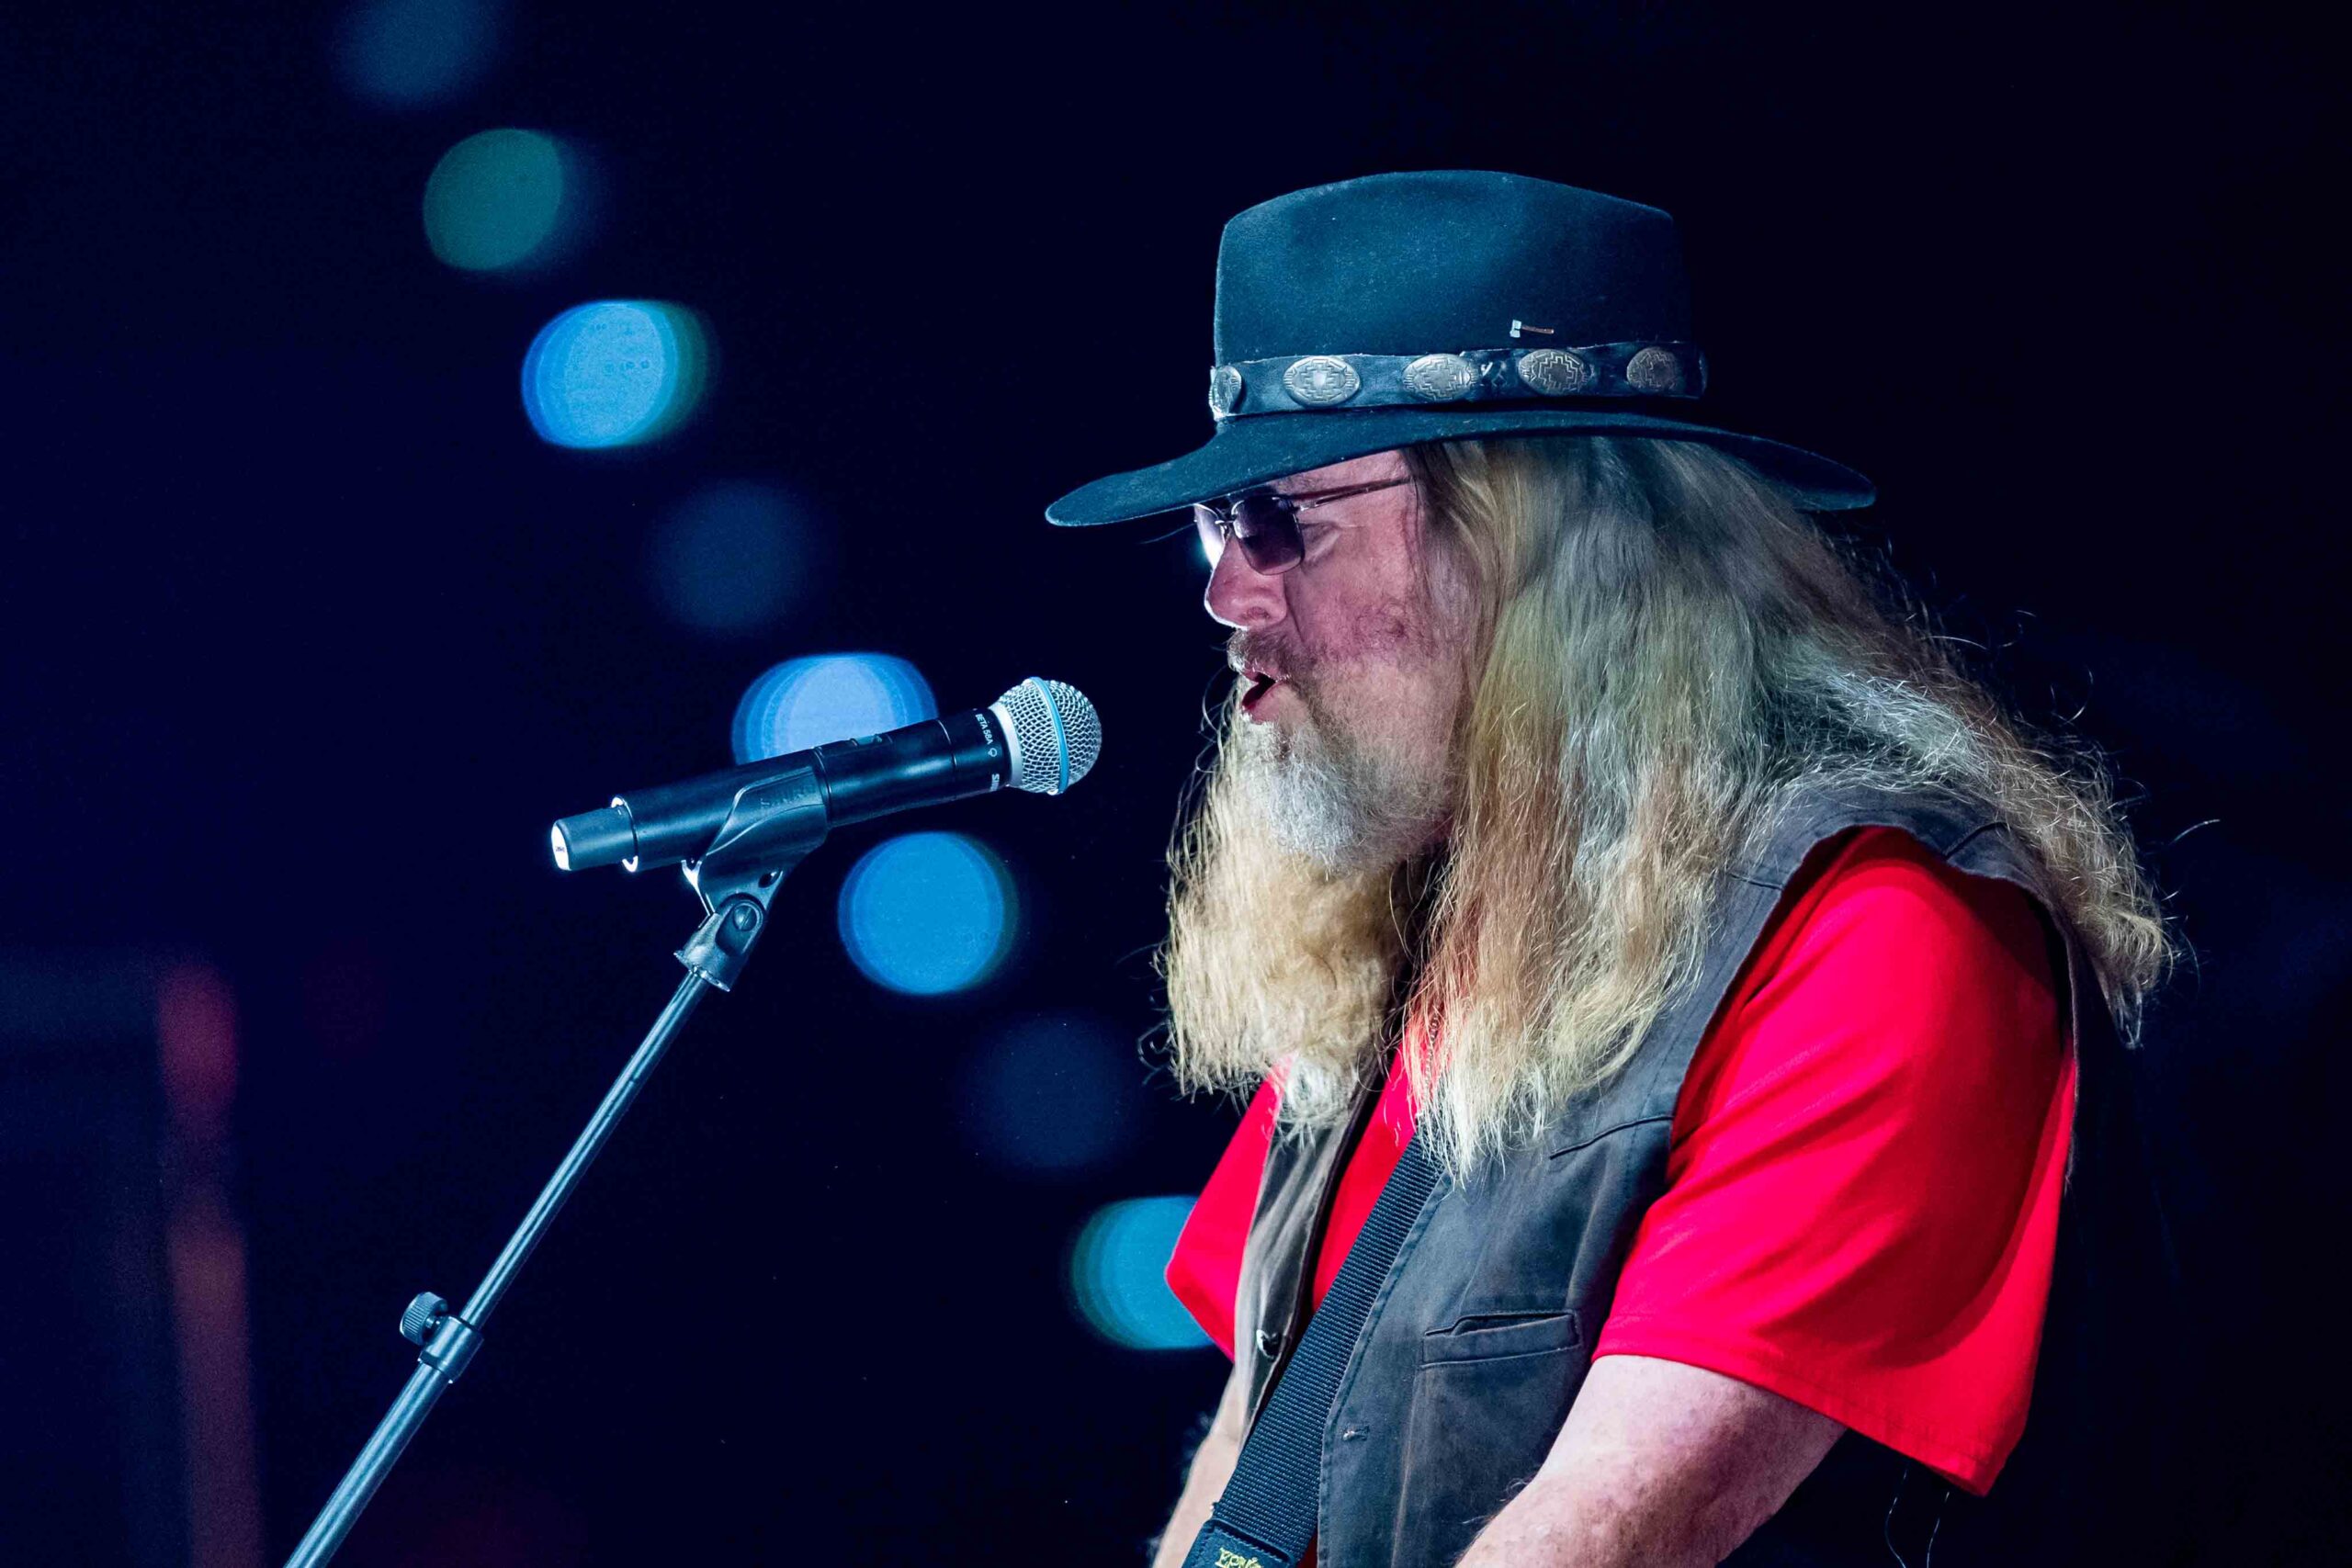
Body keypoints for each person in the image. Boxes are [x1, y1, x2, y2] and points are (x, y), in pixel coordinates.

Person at [1045, 173, 2188, 1567]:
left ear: (1533, 545)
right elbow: (1256, 1457)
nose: (1228, 593)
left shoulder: (1881, 929)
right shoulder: (1421, 935)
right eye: (1222, 526)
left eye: (1284, 519)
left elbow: (1615, 1534)